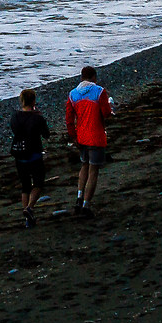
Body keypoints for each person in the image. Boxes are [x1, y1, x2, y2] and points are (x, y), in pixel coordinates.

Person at [66, 66, 112, 214]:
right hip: (96, 136)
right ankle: (86, 204)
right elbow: (106, 113)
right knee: (93, 170)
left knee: (84, 166)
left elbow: (69, 119)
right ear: (94, 77)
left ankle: (79, 197)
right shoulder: (99, 91)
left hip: (82, 136)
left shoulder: (73, 94)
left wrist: (73, 136)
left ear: (81, 78)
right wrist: (111, 108)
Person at [10, 88, 50, 228]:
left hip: (19, 153)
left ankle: (28, 219)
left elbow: (14, 130)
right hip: (34, 154)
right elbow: (46, 134)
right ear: (33, 100)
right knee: (38, 183)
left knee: (25, 186)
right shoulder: (37, 117)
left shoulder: (15, 117)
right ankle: (30, 207)